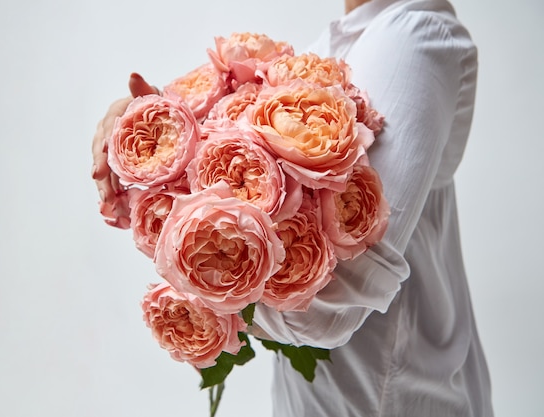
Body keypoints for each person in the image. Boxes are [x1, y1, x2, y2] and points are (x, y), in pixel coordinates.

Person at [91, 0, 494, 415]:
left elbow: (325, 311)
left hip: (389, 400)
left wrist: (201, 276)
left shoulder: (413, 37)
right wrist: (167, 148)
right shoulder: (343, 42)